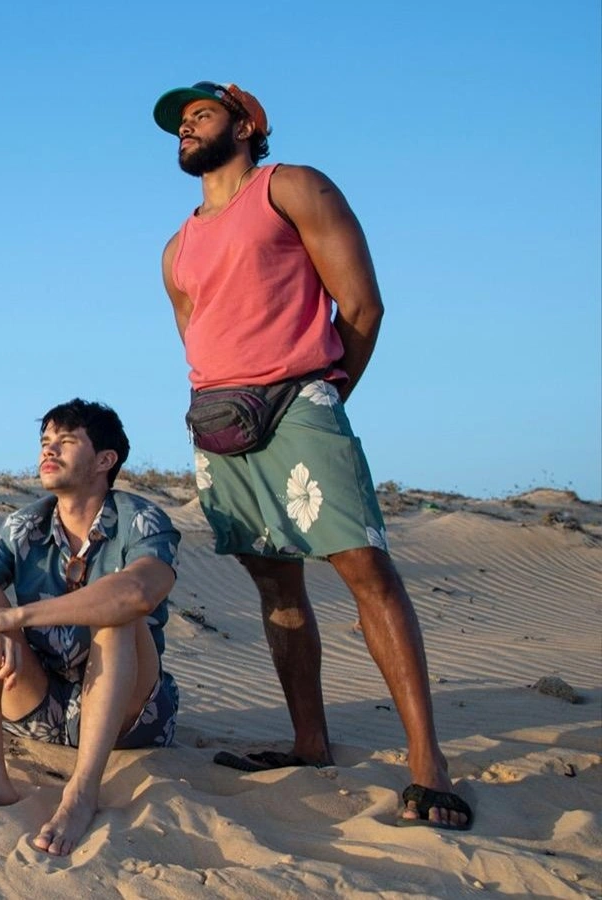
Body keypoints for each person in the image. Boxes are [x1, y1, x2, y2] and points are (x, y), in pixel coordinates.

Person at [153, 81, 471, 830]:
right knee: (276, 586)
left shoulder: (290, 187)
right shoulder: (176, 246)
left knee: (366, 569)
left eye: (201, 115)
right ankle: (309, 743)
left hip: (300, 401)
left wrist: (323, 396)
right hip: (221, 422)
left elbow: (360, 305)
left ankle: (427, 766)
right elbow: (198, 337)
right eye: (180, 123)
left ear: (245, 124)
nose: (186, 129)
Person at [0, 399, 181, 856]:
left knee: (116, 612)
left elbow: (141, 591)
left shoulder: (141, 520)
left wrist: (16, 618)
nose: (49, 451)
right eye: (45, 441)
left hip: (130, 718)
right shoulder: (27, 525)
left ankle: (82, 793)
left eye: (66, 442)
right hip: (41, 707)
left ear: (105, 460)